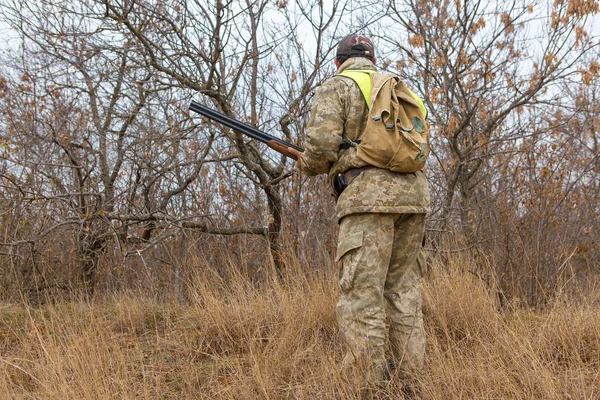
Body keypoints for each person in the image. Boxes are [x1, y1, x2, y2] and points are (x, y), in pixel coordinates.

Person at [287, 35, 431, 387]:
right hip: (413, 200)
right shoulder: (398, 90)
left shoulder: (338, 86)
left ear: (338, 62)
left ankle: (366, 389)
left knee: (361, 296)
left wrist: (306, 163)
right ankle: (411, 386)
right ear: (372, 60)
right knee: (403, 293)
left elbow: (320, 147)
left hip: (367, 201)